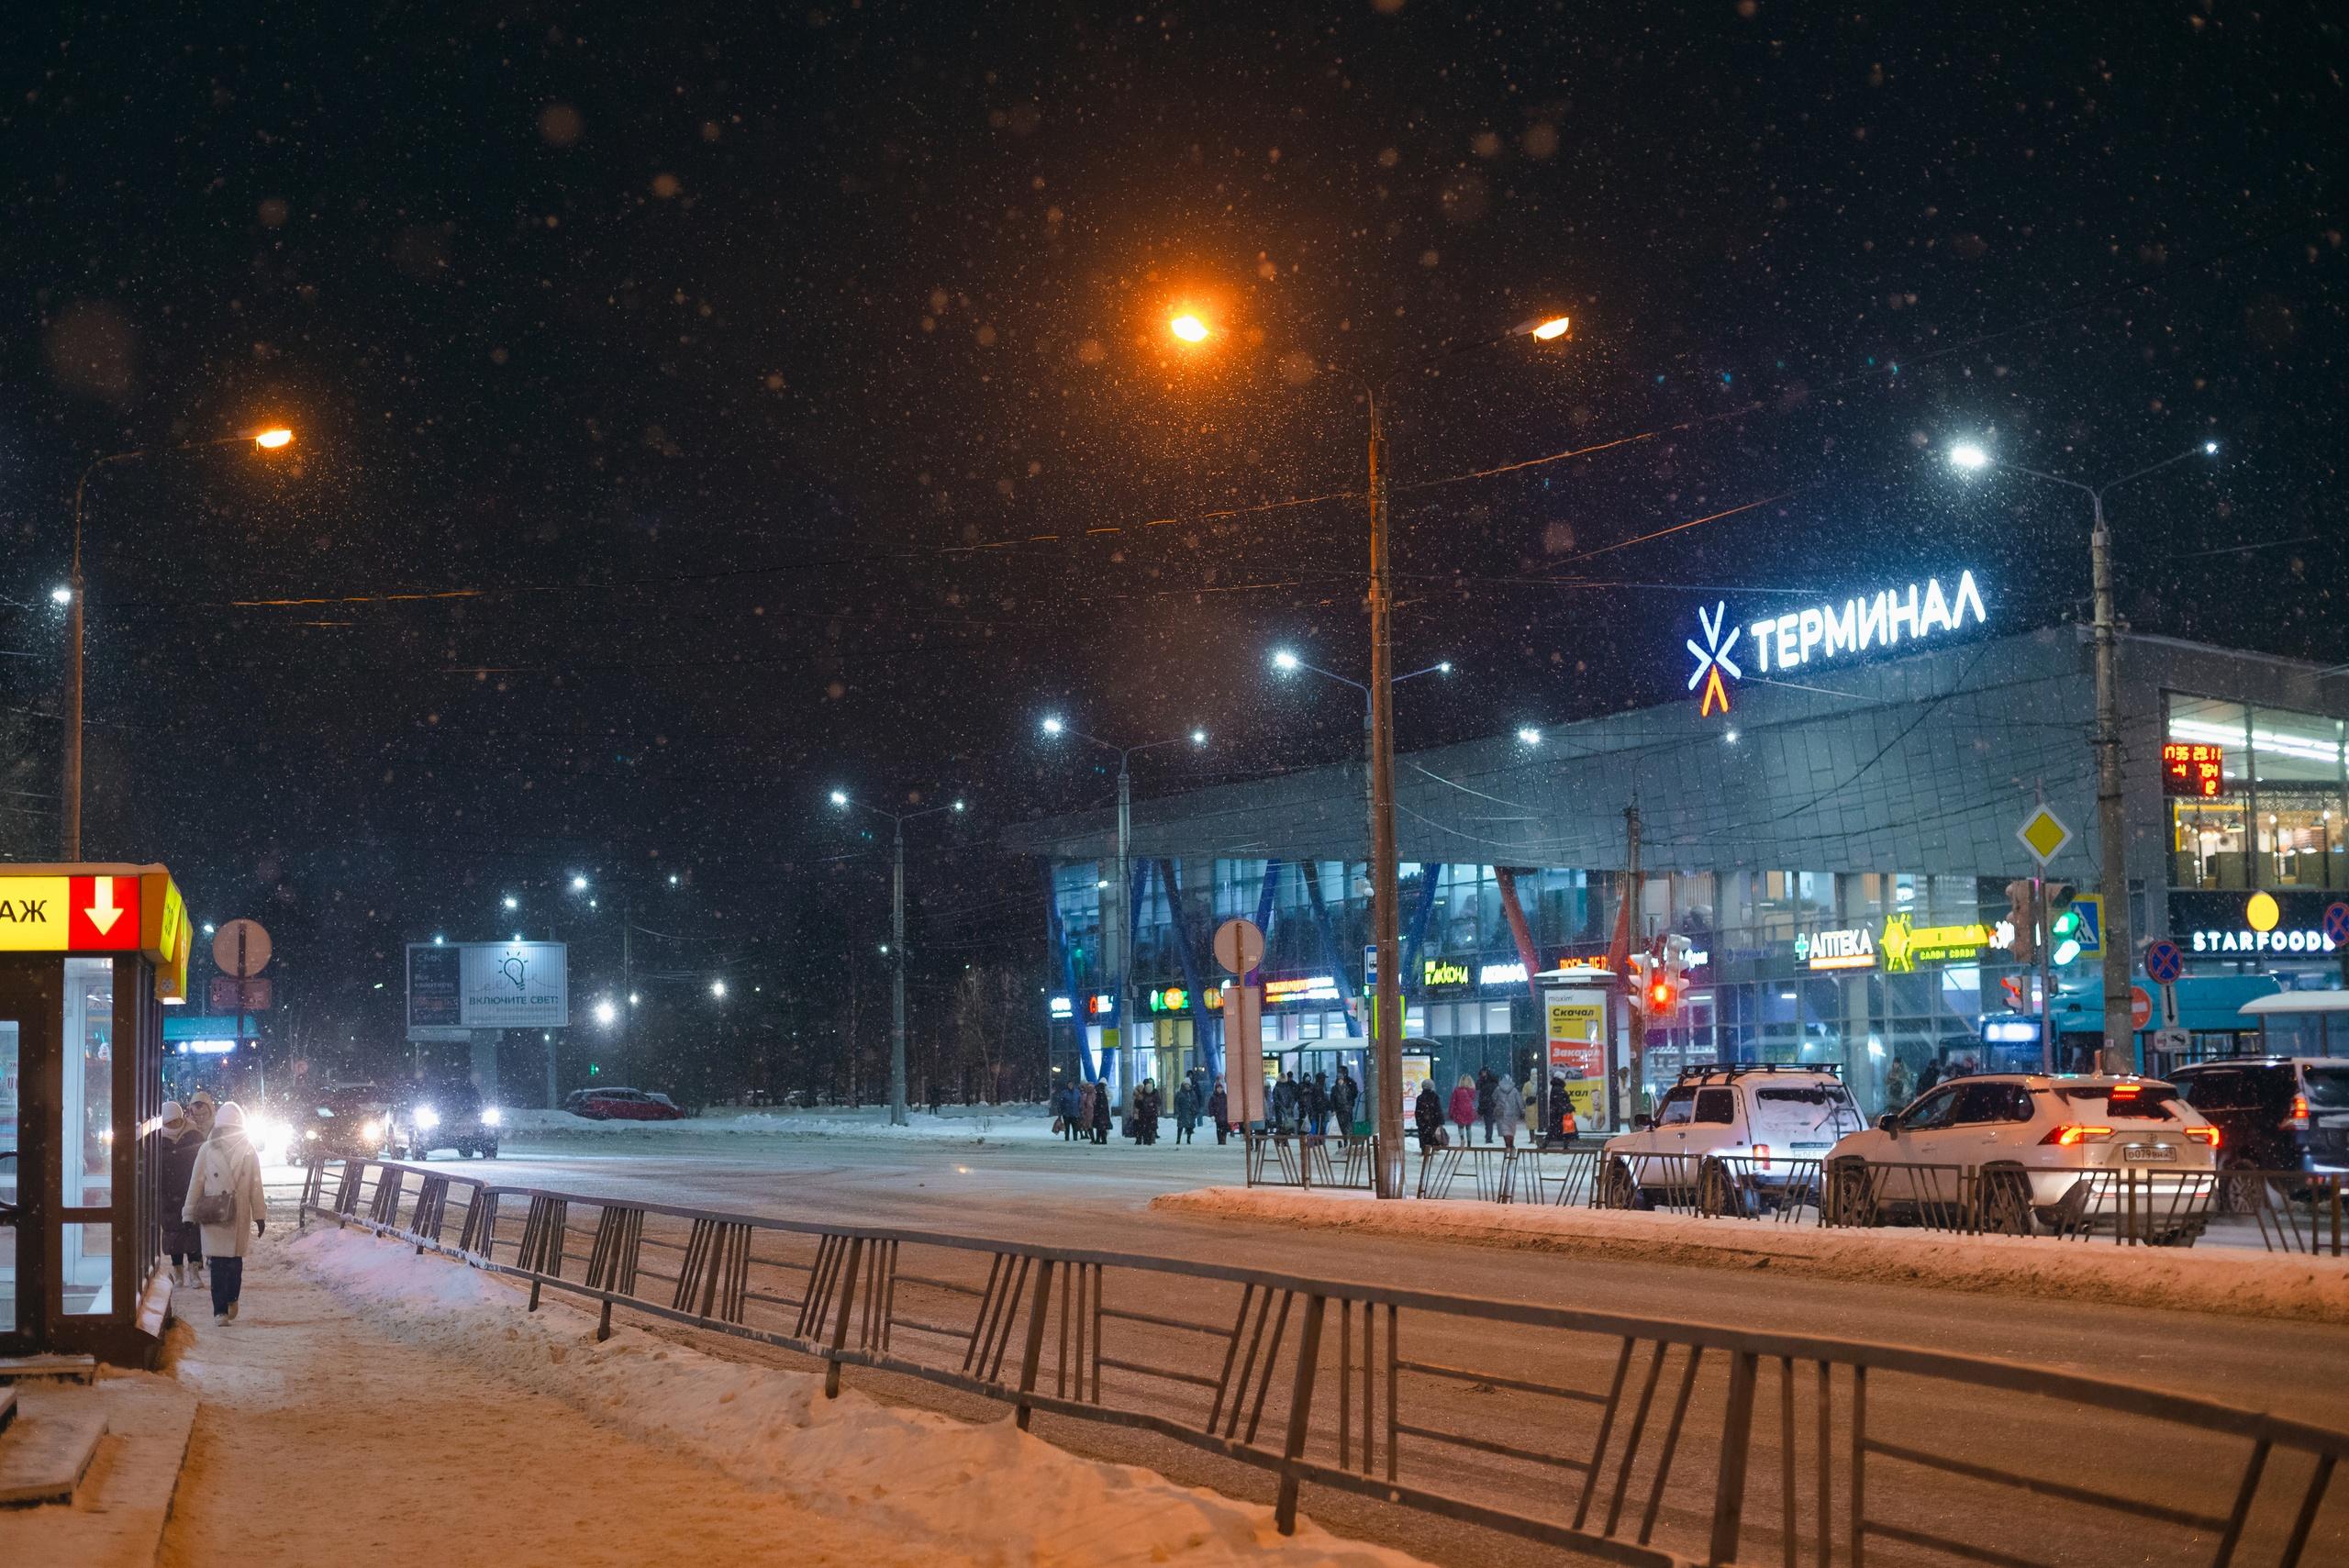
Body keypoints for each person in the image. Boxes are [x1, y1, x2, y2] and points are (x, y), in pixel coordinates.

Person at [184, 1100, 266, 1324]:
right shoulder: (207, 1150)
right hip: (215, 1215)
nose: (229, 1131)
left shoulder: (248, 1150)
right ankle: (220, 1310)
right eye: (226, 1127)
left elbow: (255, 1186)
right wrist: (188, 1213)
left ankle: (231, 1299)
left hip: (237, 1215)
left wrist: (260, 1214)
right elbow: (196, 1182)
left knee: (234, 1265)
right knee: (219, 1265)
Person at [157, 1100, 205, 1288]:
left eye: (176, 1121)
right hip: (167, 1194)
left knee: (192, 1231)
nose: (173, 1125)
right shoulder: (158, 1140)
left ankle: (194, 1271)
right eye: (169, 1122)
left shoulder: (194, 1136)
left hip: (190, 1190)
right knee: (173, 1234)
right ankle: (178, 1271)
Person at [1494, 1072, 1526, 1150]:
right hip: (1512, 1113)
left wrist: (1499, 1104)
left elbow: (1493, 1098)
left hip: (1501, 1112)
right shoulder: (1514, 1090)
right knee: (1511, 1130)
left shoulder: (1498, 1089)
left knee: (1504, 1130)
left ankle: (1507, 1145)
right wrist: (1522, 1110)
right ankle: (1511, 1144)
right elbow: (1519, 1101)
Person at [1449, 1073, 1478, 1146]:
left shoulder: (1457, 1090)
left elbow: (1453, 1101)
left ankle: (1462, 1139)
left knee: (1460, 1126)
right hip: (1469, 1110)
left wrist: (1451, 1111)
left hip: (1459, 1110)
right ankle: (1469, 1143)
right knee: (1469, 1128)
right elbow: (1473, 1099)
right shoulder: (1472, 1090)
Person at [1414, 1080, 1444, 1151]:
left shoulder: (1420, 1098)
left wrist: (1418, 1122)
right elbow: (1438, 1110)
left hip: (1423, 1122)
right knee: (1433, 1137)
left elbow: (1417, 1111)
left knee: (1424, 1138)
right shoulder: (1435, 1097)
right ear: (1432, 1087)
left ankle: (1424, 1150)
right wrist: (1441, 1122)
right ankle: (1434, 1149)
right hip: (1433, 1121)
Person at [1331, 1067, 1360, 1137]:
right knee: (1343, 1125)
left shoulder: (1349, 1084)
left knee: (1346, 1124)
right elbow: (1333, 1098)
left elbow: (1353, 1094)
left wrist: (1349, 1103)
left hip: (1346, 1108)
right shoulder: (1348, 1083)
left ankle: (1346, 1139)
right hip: (1343, 1108)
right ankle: (1345, 1140)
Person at [1300, 1073, 1328, 1140]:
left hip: (1317, 1111)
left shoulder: (1316, 1087)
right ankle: (1318, 1141)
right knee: (1319, 1127)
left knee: (1318, 1126)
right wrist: (1323, 1107)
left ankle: (1318, 1140)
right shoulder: (1319, 1088)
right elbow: (1319, 1100)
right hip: (1319, 1111)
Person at [1272, 1071, 1300, 1135]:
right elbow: (1292, 1098)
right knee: (1287, 1126)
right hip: (1286, 1110)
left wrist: (1282, 1107)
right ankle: (1284, 1139)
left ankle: (1280, 1139)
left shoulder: (1277, 1088)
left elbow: (1276, 1100)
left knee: (1281, 1126)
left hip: (1280, 1111)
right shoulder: (1287, 1087)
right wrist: (1290, 1107)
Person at [1475, 1067, 1499, 1143]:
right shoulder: (1484, 1082)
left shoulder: (1488, 1083)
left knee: (1488, 1121)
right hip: (1486, 1103)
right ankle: (1488, 1135)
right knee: (1488, 1121)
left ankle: (1488, 1137)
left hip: (1488, 1104)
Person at [1174, 1075, 1200, 1144]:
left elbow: (1196, 1102)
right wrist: (1177, 1111)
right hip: (1182, 1112)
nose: (1187, 1086)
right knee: (1180, 1126)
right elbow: (1176, 1103)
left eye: (1188, 1084)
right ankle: (1178, 1139)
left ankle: (1188, 1139)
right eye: (1185, 1084)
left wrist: (1196, 1110)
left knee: (1189, 1127)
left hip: (1190, 1112)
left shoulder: (1192, 1093)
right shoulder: (1180, 1093)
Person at [1089, 1078, 1111, 1144]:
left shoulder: (1098, 1090)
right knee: (1102, 1127)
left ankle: (1099, 1140)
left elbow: (1097, 1102)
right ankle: (1103, 1140)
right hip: (1102, 1113)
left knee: (1099, 1127)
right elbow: (1103, 1103)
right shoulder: (1101, 1091)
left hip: (1098, 1112)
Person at [1208, 1078, 1230, 1144]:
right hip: (1217, 1115)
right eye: (1218, 1088)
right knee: (1218, 1128)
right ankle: (1220, 1141)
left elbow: (1228, 1105)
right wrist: (1212, 1115)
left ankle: (1224, 1140)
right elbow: (1210, 1106)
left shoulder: (1225, 1096)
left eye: (1220, 1088)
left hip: (1224, 1115)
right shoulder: (1213, 1097)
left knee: (1224, 1129)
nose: (1219, 1089)